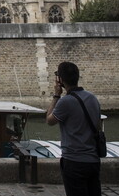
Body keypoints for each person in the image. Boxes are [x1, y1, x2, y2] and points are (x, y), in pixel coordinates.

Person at [46, 61, 102, 196]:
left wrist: (56, 95)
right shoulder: (92, 98)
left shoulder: (66, 101)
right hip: (93, 159)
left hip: (74, 161)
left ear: (60, 79)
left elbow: (49, 120)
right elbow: (98, 125)